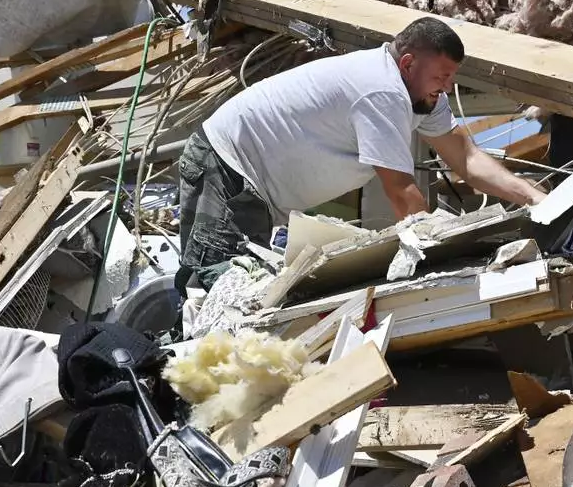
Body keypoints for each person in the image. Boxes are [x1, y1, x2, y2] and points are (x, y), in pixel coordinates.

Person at [176, 16, 547, 287]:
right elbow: (402, 192)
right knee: (219, 286)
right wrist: (439, 256)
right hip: (226, 166)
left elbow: (466, 158)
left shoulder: (424, 97)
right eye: (440, 77)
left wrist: (534, 197)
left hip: (253, 187)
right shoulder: (382, 89)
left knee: (236, 284)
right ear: (407, 63)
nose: (447, 88)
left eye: (451, 77)